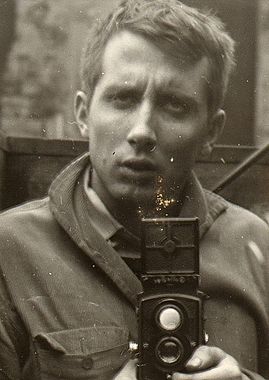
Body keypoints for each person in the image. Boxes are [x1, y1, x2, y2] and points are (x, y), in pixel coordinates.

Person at [0, 0, 269, 379]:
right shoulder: (9, 251)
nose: (142, 131)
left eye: (174, 105)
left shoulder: (255, 248)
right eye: (122, 99)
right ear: (82, 114)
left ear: (211, 132)